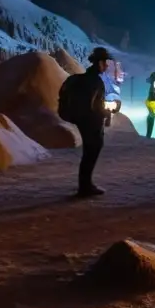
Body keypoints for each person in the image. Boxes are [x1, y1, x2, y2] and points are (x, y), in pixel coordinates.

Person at [58, 46, 112, 197]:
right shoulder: (95, 81)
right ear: (99, 63)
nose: (107, 66)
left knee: (89, 152)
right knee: (92, 151)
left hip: (83, 120)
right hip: (91, 122)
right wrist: (106, 113)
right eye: (105, 62)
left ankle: (85, 183)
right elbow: (94, 106)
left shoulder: (85, 79)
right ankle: (85, 186)